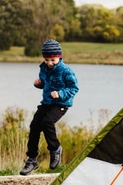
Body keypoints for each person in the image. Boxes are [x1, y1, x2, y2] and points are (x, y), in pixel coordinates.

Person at [20, 39, 79, 175]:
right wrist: (39, 84)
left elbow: (74, 88)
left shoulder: (65, 71)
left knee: (47, 123)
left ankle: (55, 149)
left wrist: (60, 94)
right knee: (34, 126)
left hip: (61, 104)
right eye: (47, 60)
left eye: (53, 60)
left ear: (59, 57)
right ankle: (32, 159)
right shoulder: (44, 68)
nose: (49, 63)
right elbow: (45, 84)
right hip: (46, 102)